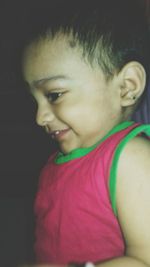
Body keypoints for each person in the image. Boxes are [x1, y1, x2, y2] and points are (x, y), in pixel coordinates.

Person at [22, 0, 150, 266]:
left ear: (127, 87)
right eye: (34, 101)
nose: (39, 117)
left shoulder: (131, 158)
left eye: (54, 95)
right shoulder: (54, 163)